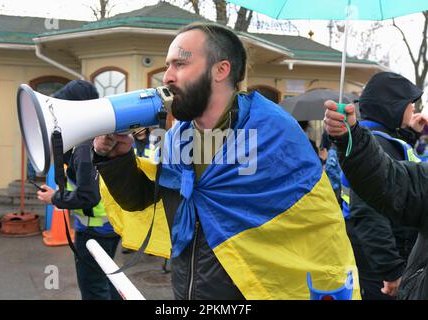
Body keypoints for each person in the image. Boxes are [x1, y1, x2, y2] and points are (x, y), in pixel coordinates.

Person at [93, 22, 359, 300]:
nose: (168, 77)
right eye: (167, 66)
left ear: (221, 70)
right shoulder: (176, 136)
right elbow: (142, 199)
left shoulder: (273, 130)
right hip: (187, 290)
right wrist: (117, 157)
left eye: (180, 64)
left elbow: (310, 224)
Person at [323, 86, 428, 299]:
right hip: (378, 261)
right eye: (410, 103)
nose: (415, 109)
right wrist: (391, 270)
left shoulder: (387, 138)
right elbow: (387, 183)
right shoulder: (377, 139)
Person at [36, 80, 121, 300]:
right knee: (108, 282)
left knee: (94, 290)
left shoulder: (85, 145)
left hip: (94, 232)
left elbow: (88, 196)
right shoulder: (94, 139)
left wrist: (54, 197)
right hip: (108, 228)